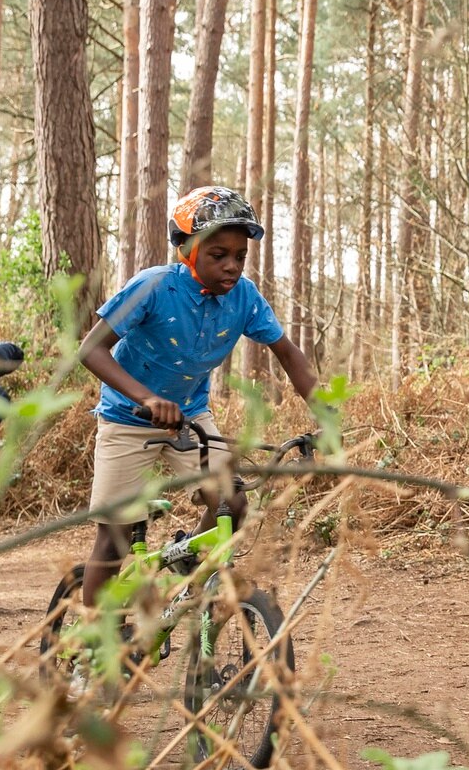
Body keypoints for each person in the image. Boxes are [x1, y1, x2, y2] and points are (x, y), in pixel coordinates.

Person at [75, 185, 320, 606]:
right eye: (218, 255)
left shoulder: (244, 297)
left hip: (190, 419)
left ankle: (188, 569)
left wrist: (326, 414)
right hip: (127, 419)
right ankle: (94, 635)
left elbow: (287, 353)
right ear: (187, 250)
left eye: (240, 256)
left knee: (233, 504)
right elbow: (91, 350)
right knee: (114, 537)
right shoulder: (153, 287)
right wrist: (147, 399)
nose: (232, 266)